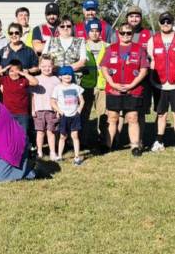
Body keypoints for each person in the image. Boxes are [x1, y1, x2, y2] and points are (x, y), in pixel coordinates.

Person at [100, 22, 149, 157]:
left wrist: (132, 84)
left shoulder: (139, 49)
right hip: (113, 89)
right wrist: (112, 83)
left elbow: (144, 70)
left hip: (133, 90)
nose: (125, 35)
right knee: (112, 117)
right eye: (123, 33)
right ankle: (108, 145)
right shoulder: (111, 48)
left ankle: (135, 146)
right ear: (118, 34)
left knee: (132, 117)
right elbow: (104, 67)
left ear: (132, 34)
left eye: (129, 33)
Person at [149, 11, 175, 152]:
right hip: (159, 84)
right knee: (161, 114)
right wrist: (152, 80)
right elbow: (151, 61)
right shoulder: (153, 40)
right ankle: (159, 141)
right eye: (163, 21)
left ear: (172, 23)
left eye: (168, 21)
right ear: (159, 23)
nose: (166, 24)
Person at [80, 19, 108, 150]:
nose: (95, 33)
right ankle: (82, 140)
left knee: (103, 114)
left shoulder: (107, 46)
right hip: (86, 84)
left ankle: (103, 139)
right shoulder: (82, 46)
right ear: (87, 32)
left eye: (97, 31)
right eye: (92, 31)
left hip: (102, 85)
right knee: (84, 113)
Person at [51, 66, 85, 165]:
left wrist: (79, 110)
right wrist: (60, 111)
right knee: (63, 136)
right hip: (64, 116)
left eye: (69, 74)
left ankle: (77, 157)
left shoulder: (76, 87)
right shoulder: (57, 88)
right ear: (60, 76)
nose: (67, 76)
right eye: (64, 74)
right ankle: (59, 156)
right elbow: (53, 102)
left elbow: (82, 100)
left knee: (75, 136)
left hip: (75, 116)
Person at [31, 55, 60, 161]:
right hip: (39, 109)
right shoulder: (36, 79)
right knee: (40, 132)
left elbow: (59, 97)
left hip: (52, 110)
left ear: (53, 66)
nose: (46, 68)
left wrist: (58, 110)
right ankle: (39, 151)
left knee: (51, 132)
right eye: (44, 66)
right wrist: (32, 109)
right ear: (39, 66)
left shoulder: (56, 80)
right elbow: (32, 96)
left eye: (49, 66)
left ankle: (52, 152)